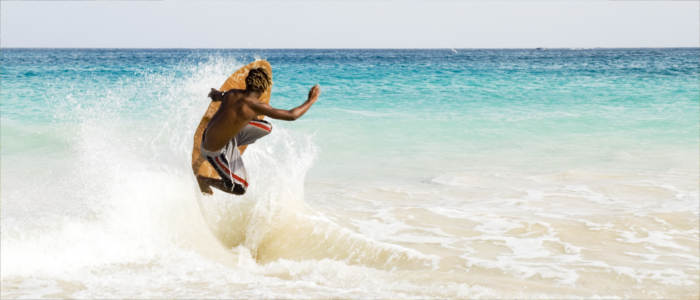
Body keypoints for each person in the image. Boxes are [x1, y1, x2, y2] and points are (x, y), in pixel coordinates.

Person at [197, 67, 320, 195]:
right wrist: (311, 100)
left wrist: (213, 93)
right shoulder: (257, 106)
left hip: (210, 134)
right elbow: (292, 115)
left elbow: (216, 95)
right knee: (240, 188)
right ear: (264, 89)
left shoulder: (231, 93)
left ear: (247, 83)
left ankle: (230, 138)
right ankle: (204, 181)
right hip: (213, 151)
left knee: (266, 127)